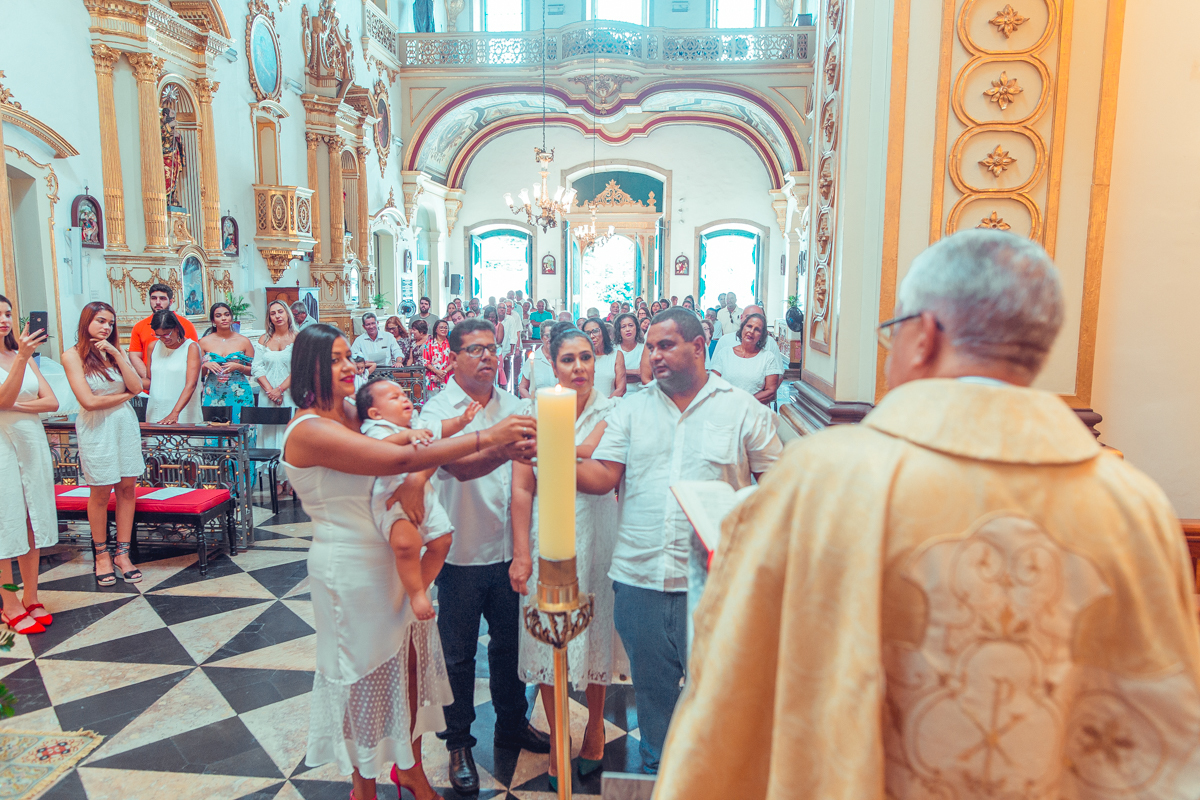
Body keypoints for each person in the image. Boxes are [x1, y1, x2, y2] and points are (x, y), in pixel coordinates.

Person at [655, 229, 1200, 799]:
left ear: (925, 336)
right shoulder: (1134, 506)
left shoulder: (826, 479)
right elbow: (1157, 729)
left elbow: (737, 689)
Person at [280, 324, 536, 800]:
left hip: (396, 563)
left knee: (410, 670)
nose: (350, 366)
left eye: (348, 357)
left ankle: (411, 768)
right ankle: (364, 785)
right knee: (362, 677)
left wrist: (497, 446)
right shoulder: (309, 430)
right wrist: (486, 438)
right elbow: (393, 460)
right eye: (336, 359)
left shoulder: (357, 412)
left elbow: (414, 439)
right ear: (310, 366)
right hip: (349, 569)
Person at [576, 307, 783, 773]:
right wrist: (551, 457)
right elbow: (604, 475)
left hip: (714, 583)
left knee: (719, 698)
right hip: (640, 577)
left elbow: (778, 486)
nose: (654, 355)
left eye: (664, 345)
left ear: (698, 345)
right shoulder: (631, 409)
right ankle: (658, 772)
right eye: (650, 347)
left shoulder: (741, 409)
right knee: (653, 697)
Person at [416, 318, 549, 794]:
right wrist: (503, 445)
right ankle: (458, 743)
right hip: (457, 554)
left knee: (510, 648)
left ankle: (512, 724)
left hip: (506, 551)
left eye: (492, 348)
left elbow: (523, 478)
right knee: (457, 656)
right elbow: (455, 465)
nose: (487, 356)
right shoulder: (436, 411)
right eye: (475, 349)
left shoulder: (513, 404)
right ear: (452, 358)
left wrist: (521, 551)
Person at [511, 327, 623, 789]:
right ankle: (558, 735)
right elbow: (522, 486)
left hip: (596, 533)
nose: (579, 367)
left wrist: (558, 450)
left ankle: (594, 726)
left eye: (586, 357)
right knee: (545, 636)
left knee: (595, 629)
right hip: (544, 535)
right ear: (550, 364)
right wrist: (520, 553)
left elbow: (603, 473)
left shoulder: (613, 411)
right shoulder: (532, 412)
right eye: (568, 360)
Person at [357, 378, 480, 621]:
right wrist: (406, 436)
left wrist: (462, 421)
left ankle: (418, 588)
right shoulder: (376, 428)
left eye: (403, 395)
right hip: (391, 497)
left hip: (425, 495)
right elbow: (377, 447)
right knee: (406, 544)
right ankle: (415, 595)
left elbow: (441, 429)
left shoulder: (416, 422)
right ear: (375, 413)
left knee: (443, 541)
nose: (404, 398)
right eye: (394, 397)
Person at [63, 301, 146, 586]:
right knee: (100, 492)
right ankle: (101, 555)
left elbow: (137, 386)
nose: (106, 327)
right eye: (100, 321)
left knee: (126, 489)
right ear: (86, 322)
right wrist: (124, 397)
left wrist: (116, 353)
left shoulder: (115, 351)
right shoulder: (72, 355)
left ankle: (122, 554)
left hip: (124, 425)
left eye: (110, 322)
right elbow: (88, 401)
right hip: (97, 427)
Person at [0, 296, 58, 633]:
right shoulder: (21, 356)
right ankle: (8, 603)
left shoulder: (21, 356)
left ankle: (31, 595)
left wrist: (18, 406)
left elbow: (50, 401)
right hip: (3, 445)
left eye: (8, 314)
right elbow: (4, 398)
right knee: (6, 520)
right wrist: (22, 357)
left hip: (30, 440)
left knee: (32, 518)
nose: (4, 320)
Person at [252, 300, 298, 453]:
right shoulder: (263, 339)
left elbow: (299, 368)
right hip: (268, 395)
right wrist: (270, 391)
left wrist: (280, 389)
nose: (277, 316)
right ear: (269, 318)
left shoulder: (298, 337)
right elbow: (257, 368)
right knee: (270, 432)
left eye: (280, 311)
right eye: (273, 313)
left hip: (291, 393)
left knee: (289, 432)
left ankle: (289, 475)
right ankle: (273, 476)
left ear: (287, 314)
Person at [128, 282, 198, 380]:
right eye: (153, 298)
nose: (157, 302)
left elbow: (193, 356)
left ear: (171, 301)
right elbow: (135, 356)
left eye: (162, 298)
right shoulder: (139, 326)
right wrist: (152, 379)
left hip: (177, 380)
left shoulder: (185, 324)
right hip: (150, 382)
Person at [709, 313, 784, 404]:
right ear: (742, 328)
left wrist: (744, 402)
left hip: (754, 412)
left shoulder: (768, 357)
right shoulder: (725, 353)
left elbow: (770, 391)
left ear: (761, 336)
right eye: (749, 326)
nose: (751, 331)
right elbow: (712, 383)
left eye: (757, 330)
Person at [199, 303, 255, 422]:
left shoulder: (244, 341)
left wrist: (239, 367)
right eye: (218, 316)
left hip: (239, 391)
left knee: (240, 429)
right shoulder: (203, 342)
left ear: (231, 318)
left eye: (226, 314)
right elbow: (197, 374)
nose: (223, 318)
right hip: (213, 391)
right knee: (213, 431)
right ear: (213, 321)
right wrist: (205, 365)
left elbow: (254, 370)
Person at [144, 309, 202, 424]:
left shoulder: (191, 347)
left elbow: (191, 384)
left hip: (182, 411)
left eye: (166, 334)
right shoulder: (153, 347)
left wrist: (175, 413)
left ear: (176, 328)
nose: (164, 339)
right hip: (155, 408)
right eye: (158, 336)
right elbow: (150, 381)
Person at [711, 303, 785, 370]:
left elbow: (778, 373)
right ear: (741, 318)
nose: (752, 321)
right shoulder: (725, 340)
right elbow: (714, 370)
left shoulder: (769, 342)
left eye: (757, 317)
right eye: (748, 317)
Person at [582, 317, 626, 398]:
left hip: (610, 405)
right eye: (587, 333)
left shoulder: (616, 355)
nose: (592, 336)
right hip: (586, 406)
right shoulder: (581, 358)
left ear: (603, 332)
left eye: (595, 331)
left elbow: (621, 389)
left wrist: (604, 405)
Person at [518, 320, 558, 399]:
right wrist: (532, 403)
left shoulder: (564, 359)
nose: (550, 339)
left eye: (553, 335)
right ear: (542, 337)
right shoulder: (533, 359)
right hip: (538, 407)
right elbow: (522, 387)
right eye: (547, 335)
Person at [614, 312, 644, 395]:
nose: (627, 329)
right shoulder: (613, 350)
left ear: (636, 328)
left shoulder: (644, 348)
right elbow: (611, 375)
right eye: (623, 327)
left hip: (640, 393)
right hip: (617, 394)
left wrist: (620, 375)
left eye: (631, 325)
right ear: (619, 330)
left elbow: (645, 374)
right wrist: (635, 372)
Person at [422, 319, 453, 391]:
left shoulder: (452, 344)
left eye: (446, 328)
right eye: (441, 327)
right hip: (432, 379)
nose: (444, 329)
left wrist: (444, 371)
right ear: (436, 329)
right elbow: (425, 361)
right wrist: (436, 371)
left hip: (447, 378)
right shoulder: (428, 344)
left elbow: (455, 361)